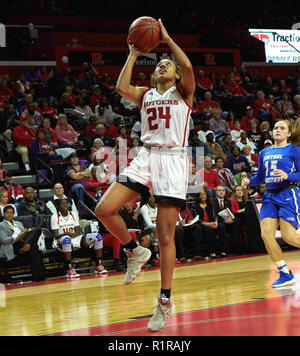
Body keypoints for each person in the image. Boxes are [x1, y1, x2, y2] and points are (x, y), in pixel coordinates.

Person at [95, 18, 195, 332]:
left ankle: (165, 300)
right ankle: (134, 249)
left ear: (176, 74)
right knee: (104, 210)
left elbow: (188, 66)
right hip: (145, 155)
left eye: (169, 64)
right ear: (153, 73)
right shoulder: (146, 95)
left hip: (173, 161)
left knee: (165, 235)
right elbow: (121, 87)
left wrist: (166, 38)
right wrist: (134, 54)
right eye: (160, 63)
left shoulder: (183, 94)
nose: (164, 65)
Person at [242, 119, 300, 288]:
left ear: (289, 133)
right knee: (266, 235)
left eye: (282, 128)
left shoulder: (294, 150)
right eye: (276, 128)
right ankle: (284, 274)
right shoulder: (264, 153)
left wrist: (287, 176)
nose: (278, 130)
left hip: (288, 194)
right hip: (269, 197)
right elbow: (260, 177)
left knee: (289, 237)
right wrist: (248, 182)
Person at [51, 198, 107, 278]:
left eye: (66, 203)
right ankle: (69, 269)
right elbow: (56, 235)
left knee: (97, 237)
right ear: (58, 207)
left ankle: (99, 264)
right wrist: (67, 233)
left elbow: (77, 231)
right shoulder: (54, 217)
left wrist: (73, 235)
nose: (65, 205)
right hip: (60, 240)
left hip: (75, 237)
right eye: (62, 204)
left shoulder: (73, 214)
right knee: (67, 239)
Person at [0, 205, 46, 281]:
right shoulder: (1, 225)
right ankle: (40, 276)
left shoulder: (18, 223)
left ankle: (38, 276)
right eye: (7, 213)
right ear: (4, 214)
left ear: (14, 214)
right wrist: (17, 236)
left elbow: (26, 235)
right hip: (13, 246)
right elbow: (4, 240)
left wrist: (26, 231)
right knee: (33, 246)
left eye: (11, 213)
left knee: (37, 230)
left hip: (23, 243)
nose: (9, 215)